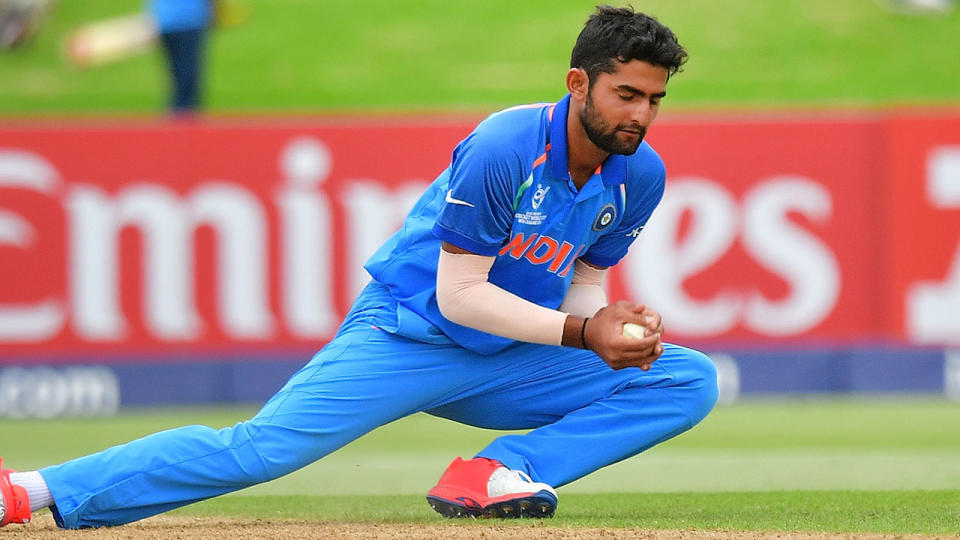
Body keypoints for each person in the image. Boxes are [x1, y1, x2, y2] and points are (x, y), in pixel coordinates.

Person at [0, 5, 718, 529]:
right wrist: (581, 330)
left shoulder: (637, 173)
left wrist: (604, 321)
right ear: (577, 82)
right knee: (259, 450)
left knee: (686, 378)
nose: (642, 116)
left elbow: (583, 279)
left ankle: (502, 472)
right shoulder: (505, 147)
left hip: (513, 353)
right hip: (412, 335)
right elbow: (462, 295)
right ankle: (29, 489)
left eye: (655, 99)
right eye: (627, 94)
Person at [148, 0, 213, 113]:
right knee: (187, 74)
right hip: (189, 21)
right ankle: (183, 115)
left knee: (176, 73)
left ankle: (178, 112)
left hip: (164, 20)